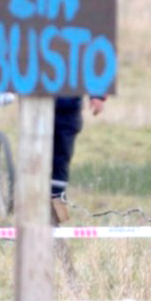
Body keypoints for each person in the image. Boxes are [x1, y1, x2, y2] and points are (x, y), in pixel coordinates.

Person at [50, 95, 104, 225]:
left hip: (68, 111)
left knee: (60, 169)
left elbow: (91, 73)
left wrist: (97, 95)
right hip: (35, 110)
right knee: (35, 167)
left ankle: (57, 221)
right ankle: (32, 219)